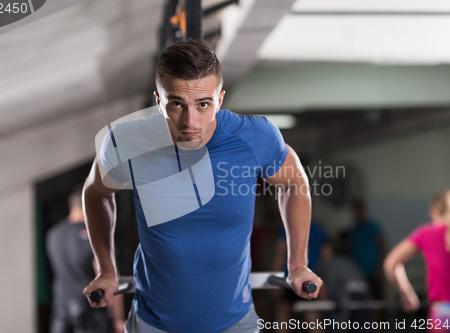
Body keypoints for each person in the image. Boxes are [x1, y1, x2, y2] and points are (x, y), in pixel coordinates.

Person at [82, 39, 322, 333]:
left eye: (203, 104)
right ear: (158, 100)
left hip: (235, 322)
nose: (189, 121)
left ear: (220, 99)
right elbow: (96, 194)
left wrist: (298, 263)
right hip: (153, 323)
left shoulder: (255, 137)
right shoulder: (126, 142)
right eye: (176, 104)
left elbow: (295, 184)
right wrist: (106, 268)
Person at [384, 189, 450, 331]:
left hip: (443, 314)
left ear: (433, 211)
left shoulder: (427, 233)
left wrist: (406, 293)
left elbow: (391, 263)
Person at [46, 184, 125, 333]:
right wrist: (118, 319)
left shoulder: (53, 234)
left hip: (61, 306)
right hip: (90, 308)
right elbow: (109, 278)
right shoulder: (93, 235)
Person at [347, 201, 386, 300]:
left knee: (376, 299)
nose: (358, 214)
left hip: (374, 271)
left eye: (359, 211)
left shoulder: (373, 228)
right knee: (362, 301)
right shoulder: (353, 231)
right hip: (358, 273)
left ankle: (378, 316)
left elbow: (382, 246)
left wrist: (380, 267)